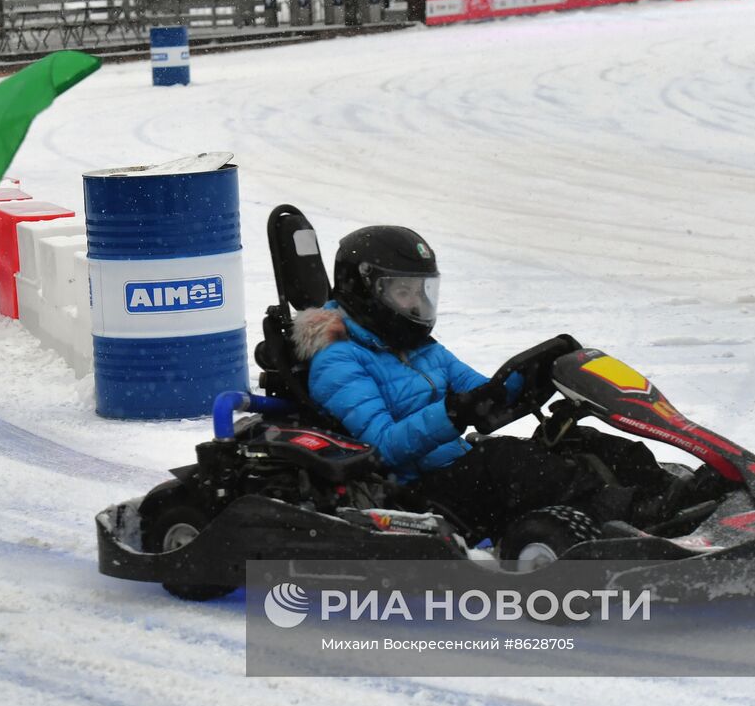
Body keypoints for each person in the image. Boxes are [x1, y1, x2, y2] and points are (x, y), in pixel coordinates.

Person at [293, 225, 699, 545]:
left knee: (574, 438)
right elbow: (381, 449)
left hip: (456, 466)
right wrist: (452, 414)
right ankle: (631, 515)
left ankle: (674, 494)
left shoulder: (419, 347)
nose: (416, 306)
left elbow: (485, 392)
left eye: (421, 293)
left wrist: (539, 372)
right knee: (507, 460)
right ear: (366, 291)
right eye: (404, 293)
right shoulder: (338, 360)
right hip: (414, 494)